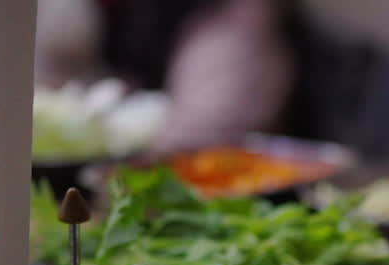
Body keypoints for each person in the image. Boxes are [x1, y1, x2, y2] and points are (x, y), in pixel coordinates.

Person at [35, 0, 298, 152]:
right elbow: (47, 87)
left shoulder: (234, 18)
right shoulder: (94, 12)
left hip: (227, 191)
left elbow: (203, 132)